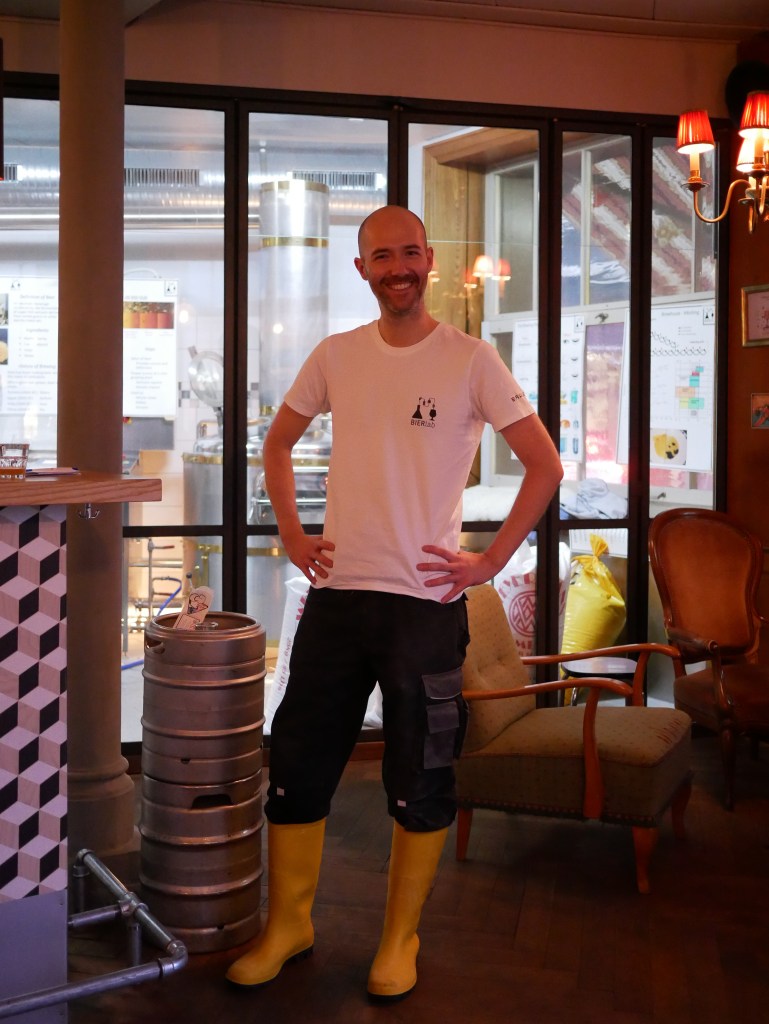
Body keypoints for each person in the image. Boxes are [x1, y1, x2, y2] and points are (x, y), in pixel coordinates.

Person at [226, 206, 563, 1000]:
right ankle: (289, 926)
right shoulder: (336, 355)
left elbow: (544, 466)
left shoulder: (471, 360)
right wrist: (292, 534)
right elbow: (275, 444)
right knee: (297, 764)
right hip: (337, 598)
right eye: (382, 256)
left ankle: (398, 939)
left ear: (428, 260)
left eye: (410, 252)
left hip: (422, 605)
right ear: (362, 269)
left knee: (420, 774)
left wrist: (489, 561)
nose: (398, 267)